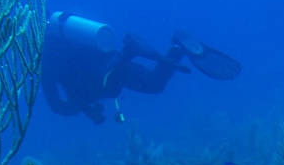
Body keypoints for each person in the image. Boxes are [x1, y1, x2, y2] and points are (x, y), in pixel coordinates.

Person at [41, 12, 241, 124]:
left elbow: (58, 106)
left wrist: (79, 105)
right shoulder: (66, 40)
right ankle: (176, 49)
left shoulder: (45, 60)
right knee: (155, 84)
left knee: (110, 83)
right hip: (111, 58)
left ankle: (130, 52)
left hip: (103, 76)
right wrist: (88, 110)